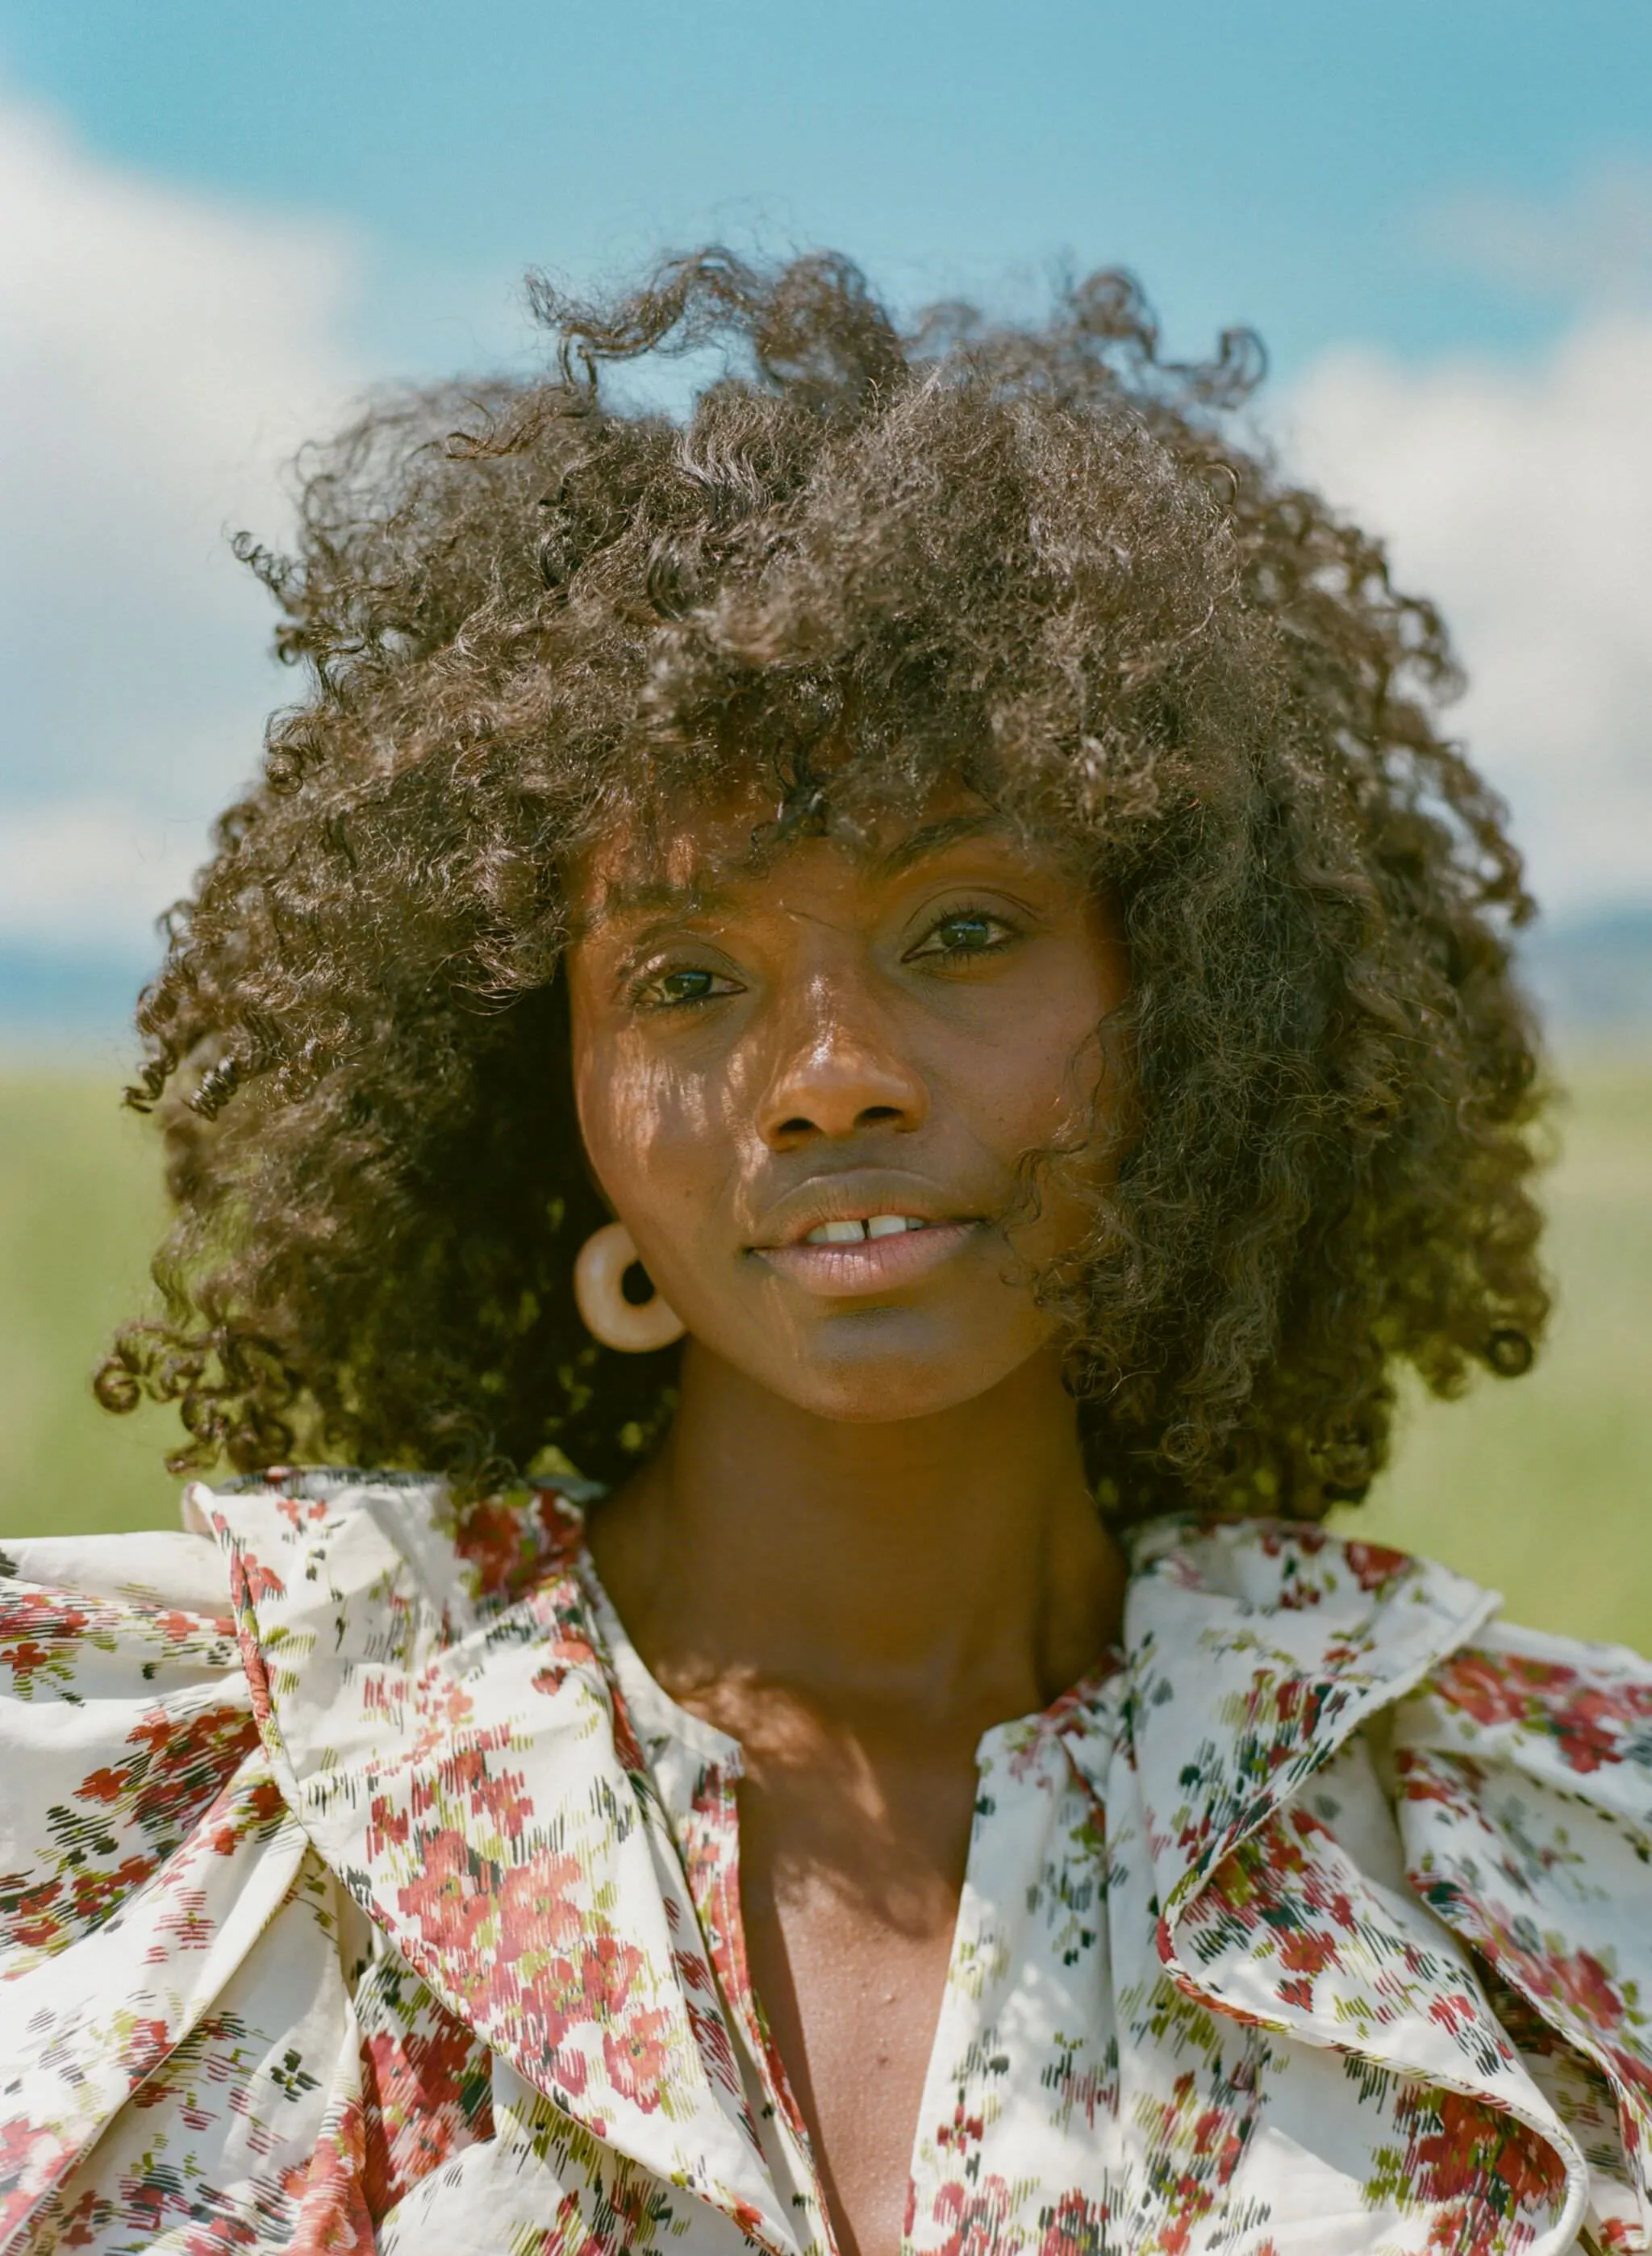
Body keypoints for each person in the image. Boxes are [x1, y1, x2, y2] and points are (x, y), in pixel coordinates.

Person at [2, 251, 1647, 2256]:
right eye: (688, 977)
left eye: (964, 928)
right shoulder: (163, 1796)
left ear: (1202, 1013)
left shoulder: (1544, 1849)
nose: (829, 1082)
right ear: (555, 1102)